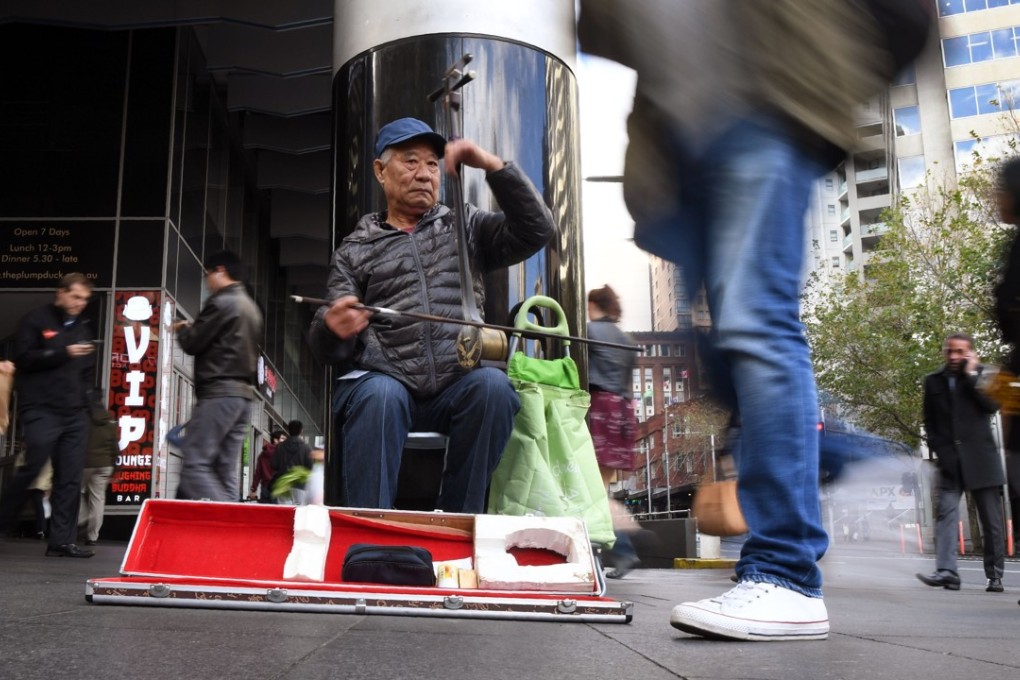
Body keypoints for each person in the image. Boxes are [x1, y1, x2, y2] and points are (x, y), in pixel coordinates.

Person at [578, 0, 932, 641]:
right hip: (684, 142)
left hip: (761, 103)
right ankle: (847, 458)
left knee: (757, 328)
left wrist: (826, 72)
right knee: (723, 361)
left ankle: (787, 574)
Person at [308, 117, 556, 512]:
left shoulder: (466, 225)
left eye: (431, 164)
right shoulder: (355, 249)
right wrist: (333, 328)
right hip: (389, 381)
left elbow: (537, 230)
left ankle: (460, 522)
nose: (424, 174)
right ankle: (370, 531)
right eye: (410, 162)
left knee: (493, 387)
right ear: (380, 171)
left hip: (456, 383)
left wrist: (493, 165)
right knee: (378, 394)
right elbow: (325, 346)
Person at [0, 273, 97, 557]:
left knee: (69, 477)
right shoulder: (36, 320)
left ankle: (61, 542)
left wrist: (87, 405)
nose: (80, 303)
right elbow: (25, 359)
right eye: (76, 296)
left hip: (75, 413)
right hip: (42, 408)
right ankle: (3, 518)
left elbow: (87, 371)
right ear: (61, 293)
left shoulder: (82, 328)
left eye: (85, 299)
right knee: (33, 466)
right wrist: (63, 351)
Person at [916, 333, 1005, 593]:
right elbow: (930, 421)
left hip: (982, 460)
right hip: (950, 462)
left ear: (969, 353)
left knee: (992, 522)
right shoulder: (933, 381)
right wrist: (939, 450)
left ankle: (995, 575)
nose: (954, 356)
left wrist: (970, 375)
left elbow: (991, 406)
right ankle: (947, 572)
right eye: (950, 351)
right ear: (945, 352)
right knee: (945, 515)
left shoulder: (985, 374)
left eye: (960, 351)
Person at [174, 250, 263, 502]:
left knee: (195, 465)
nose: (207, 281)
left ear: (220, 270)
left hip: (219, 393)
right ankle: (234, 529)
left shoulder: (222, 302)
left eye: (207, 275)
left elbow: (193, 342)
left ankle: (234, 523)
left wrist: (182, 329)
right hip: (243, 397)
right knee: (225, 470)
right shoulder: (251, 307)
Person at [586, 285, 640, 578]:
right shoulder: (626, 339)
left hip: (600, 408)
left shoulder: (589, 330)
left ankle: (624, 545)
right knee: (600, 488)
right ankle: (624, 538)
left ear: (593, 303)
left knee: (592, 489)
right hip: (622, 412)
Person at [78, 396, 118, 545]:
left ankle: (82, 518)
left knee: (77, 492)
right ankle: (92, 536)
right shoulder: (109, 423)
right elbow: (115, 448)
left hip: (85, 464)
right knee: (98, 499)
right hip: (105, 465)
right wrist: (116, 468)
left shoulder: (84, 421)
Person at [271, 420, 313, 505]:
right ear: (301, 431)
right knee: (300, 512)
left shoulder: (280, 447)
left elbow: (274, 465)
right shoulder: (306, 447)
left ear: (288, 430)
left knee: (284, 512)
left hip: (283, 484)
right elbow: (310, 467)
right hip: (300, 485)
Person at [248, 429, 286, 503]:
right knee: (277, 512)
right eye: (283, 439)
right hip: (278, 487)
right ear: (275, 440)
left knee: (266, 512)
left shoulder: (262, 454)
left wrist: (253, 489)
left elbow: (258, 473)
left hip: (265, 488)